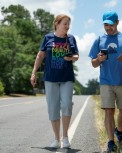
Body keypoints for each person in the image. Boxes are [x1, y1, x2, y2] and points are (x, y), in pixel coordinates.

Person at [89, 10, 122, 152]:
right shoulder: (98, 40)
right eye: (106, 25)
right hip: (106, 82)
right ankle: (111, 142)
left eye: (111, 25)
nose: (108, 28)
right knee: (109, 111)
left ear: (117, 23)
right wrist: (99, 59)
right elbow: (93, 64)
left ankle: (119, 130)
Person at [30, 14, 79, 149]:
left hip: (66, 78)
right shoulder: (48, 38)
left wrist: (72, 58)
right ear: (57, 24)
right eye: (65, 24)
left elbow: (76, 55)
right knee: (53, 108)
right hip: (51, 79)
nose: (67, 27)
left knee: (67, 104)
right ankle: (56, 139)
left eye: (68, 24)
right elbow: (40, 56)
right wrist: (34, 72)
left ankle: (65, 137)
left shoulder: (71, 39)